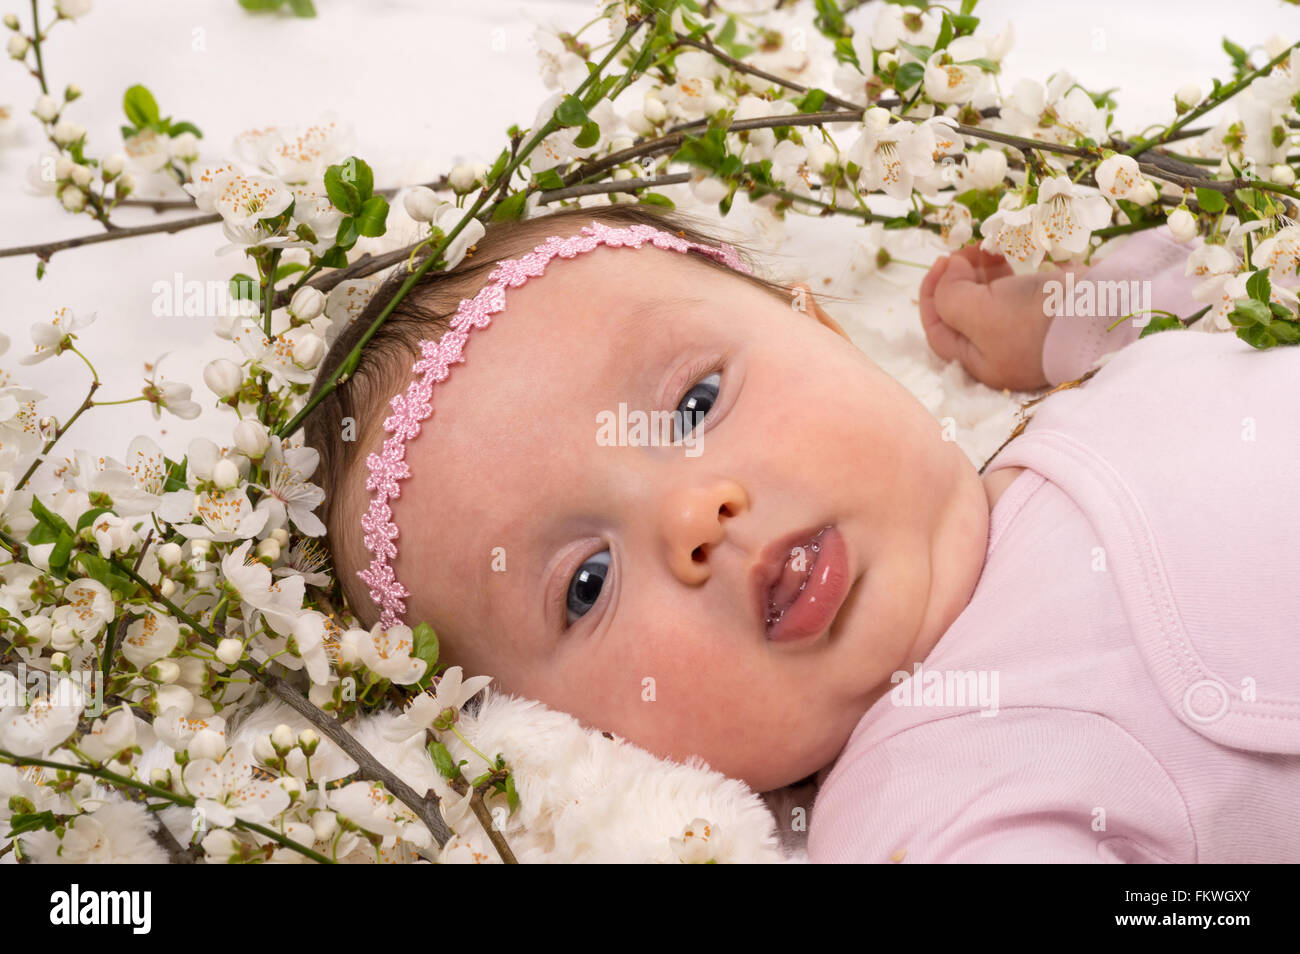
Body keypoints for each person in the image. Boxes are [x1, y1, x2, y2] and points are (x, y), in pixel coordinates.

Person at [304, 203, 1300, 862]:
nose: (694, 515)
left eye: (694, 401)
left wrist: (1049, 318)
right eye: (585, 583)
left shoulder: (1096, 391)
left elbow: (1244, 272)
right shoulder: (929, 804)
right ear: (567, 735)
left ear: (827, 331)